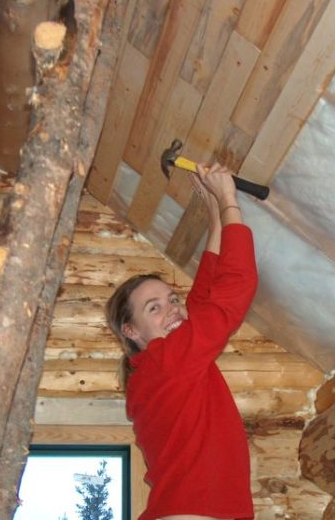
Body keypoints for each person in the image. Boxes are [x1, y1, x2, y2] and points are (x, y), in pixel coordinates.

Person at [105, 162, 258, 520]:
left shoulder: (159, 368)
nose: (173, 309)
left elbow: (203, 300)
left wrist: (216, 214)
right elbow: (233, 289)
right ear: (131, 331)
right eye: (153, 308)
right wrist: (228, 198)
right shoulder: (169, 360)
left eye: (173, 299)